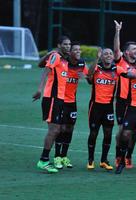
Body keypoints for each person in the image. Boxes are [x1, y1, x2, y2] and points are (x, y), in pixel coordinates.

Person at [86, 47, 136, 170]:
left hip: (108, 107)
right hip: (95, 106)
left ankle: (104, 160)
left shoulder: (116, 69)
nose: (109, 55)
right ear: (102, 56)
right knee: (93, 133)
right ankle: (90, 159)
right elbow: (89, 75)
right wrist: (96, 58)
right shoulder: (97, 68)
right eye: (106, 54)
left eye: (110, 54)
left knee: (108, 133)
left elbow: (127, 74)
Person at [32, 36, 71, 173]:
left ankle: (45, 158)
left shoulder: (64, 60)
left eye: (69, 44)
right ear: (59, 45)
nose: (68, 46)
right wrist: (39, 89)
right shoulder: (56, 56)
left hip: (59, 99)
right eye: (65, 44)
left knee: (58, 129)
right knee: (54, 130)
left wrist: (47, 55)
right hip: (52, 98)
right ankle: (43, 160)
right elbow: (46, 70)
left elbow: (40, 64)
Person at [53, 42, 88, 169]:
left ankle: (64, 156)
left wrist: (86, 77)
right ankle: (57, 157)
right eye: (76, 50)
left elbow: (90, 79)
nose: (79, 52)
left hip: (72, 102)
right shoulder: (63, 62)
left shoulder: (81, 64)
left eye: (80, 50)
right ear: (70, 52)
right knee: (60, 129)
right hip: (61, 101)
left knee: (69, 128)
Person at [113, 20, 136, 169]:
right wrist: (118, 31)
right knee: (122, 131)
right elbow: (116, 50)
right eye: (134, 49)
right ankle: (119, 156)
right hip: (122, 101)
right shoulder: (120, 62)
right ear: (127, 52)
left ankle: (128, 156)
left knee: (133, 133)